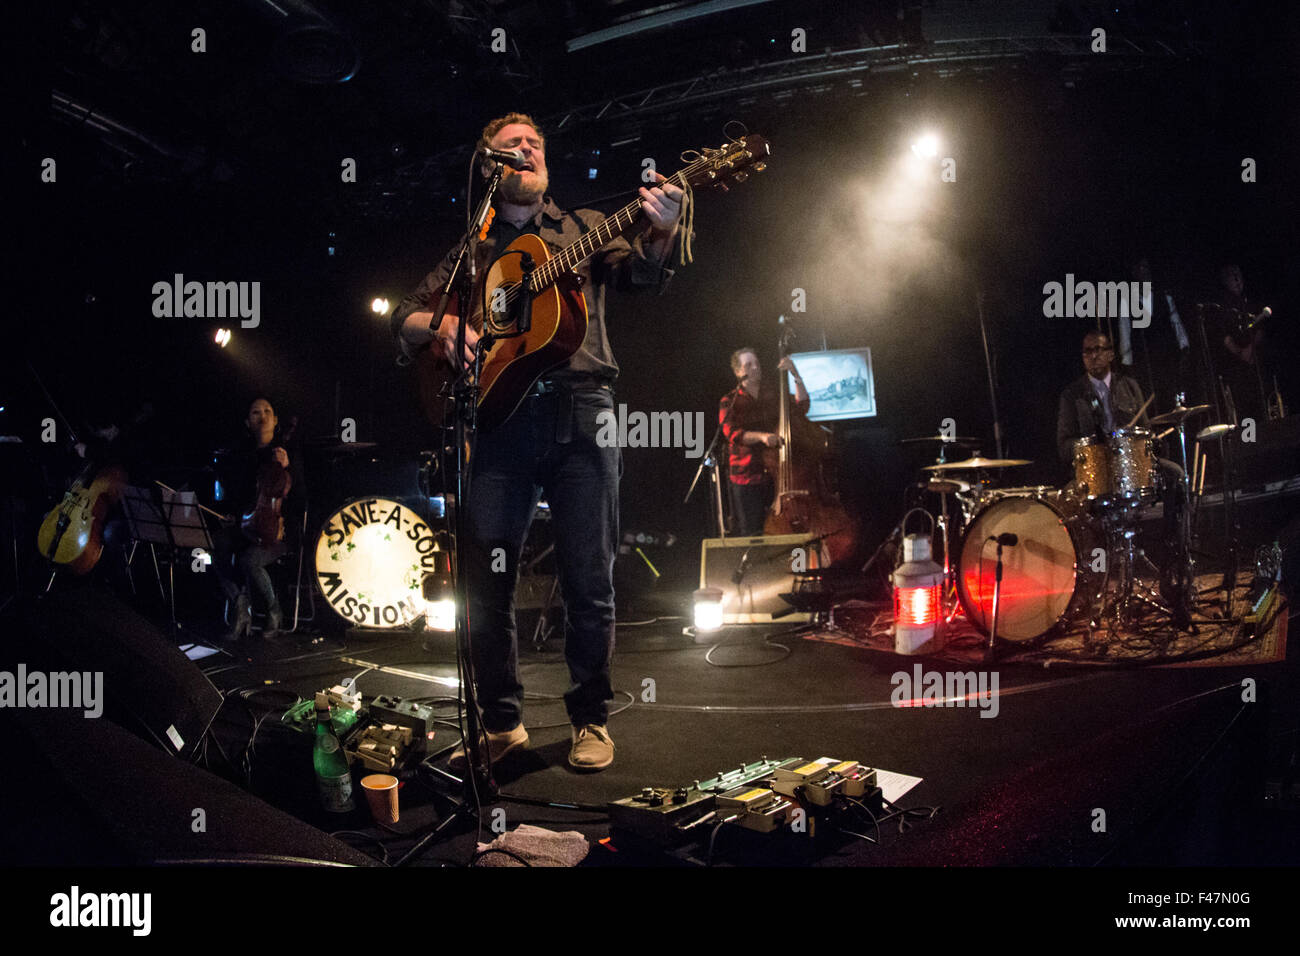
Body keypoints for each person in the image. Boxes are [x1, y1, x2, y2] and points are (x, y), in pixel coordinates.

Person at [390, 112, 683, 772]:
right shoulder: (475, 248)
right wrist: (439, 331)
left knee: (588, 577)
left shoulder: (583, 228)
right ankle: (501, 724)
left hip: (584, 414)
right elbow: (404, 320)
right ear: (489, 164)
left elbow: (642, 279)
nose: (527, 151)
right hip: (498, 426)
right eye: (511, 146)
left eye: (536, 144)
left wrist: (662, 231)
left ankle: (590, 720)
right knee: (485, 587)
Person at [213, 397, 299, 641]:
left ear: (275, 420)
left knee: (250, 560)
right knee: (215, 545)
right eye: (255, 413)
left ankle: (275, 611)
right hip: (246, 524)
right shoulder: (243, 456)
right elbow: (236, 496)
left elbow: (300, 496)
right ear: (247, 422)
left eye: (267, 411)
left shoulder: (288, 454)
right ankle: (240, 604)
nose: (262, 416)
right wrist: (231, 514)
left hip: (277, 529)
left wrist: (288, 468)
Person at [719, 348, 809, 536]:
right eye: (748, 365)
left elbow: (802, 406)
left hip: (776, 474)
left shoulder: (774, 394)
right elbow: (732, 433)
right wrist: (761, 437)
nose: (755, 368)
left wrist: (795, 374)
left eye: (757, 363)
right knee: (752, 533)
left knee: (781, 530)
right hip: (746, 475)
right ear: (738, 372)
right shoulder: (729, 401)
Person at [1056, 330, 1148, 465]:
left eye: (1098, 349)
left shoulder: (1129, 386)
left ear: (1110, 354)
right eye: (1087, 352)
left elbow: (1145, 430)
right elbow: (1064, 446)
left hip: (1130, 462)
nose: (1093, 356)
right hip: (1094, 467)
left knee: (1175, 472)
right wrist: (1093, 444)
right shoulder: (1072, 395)